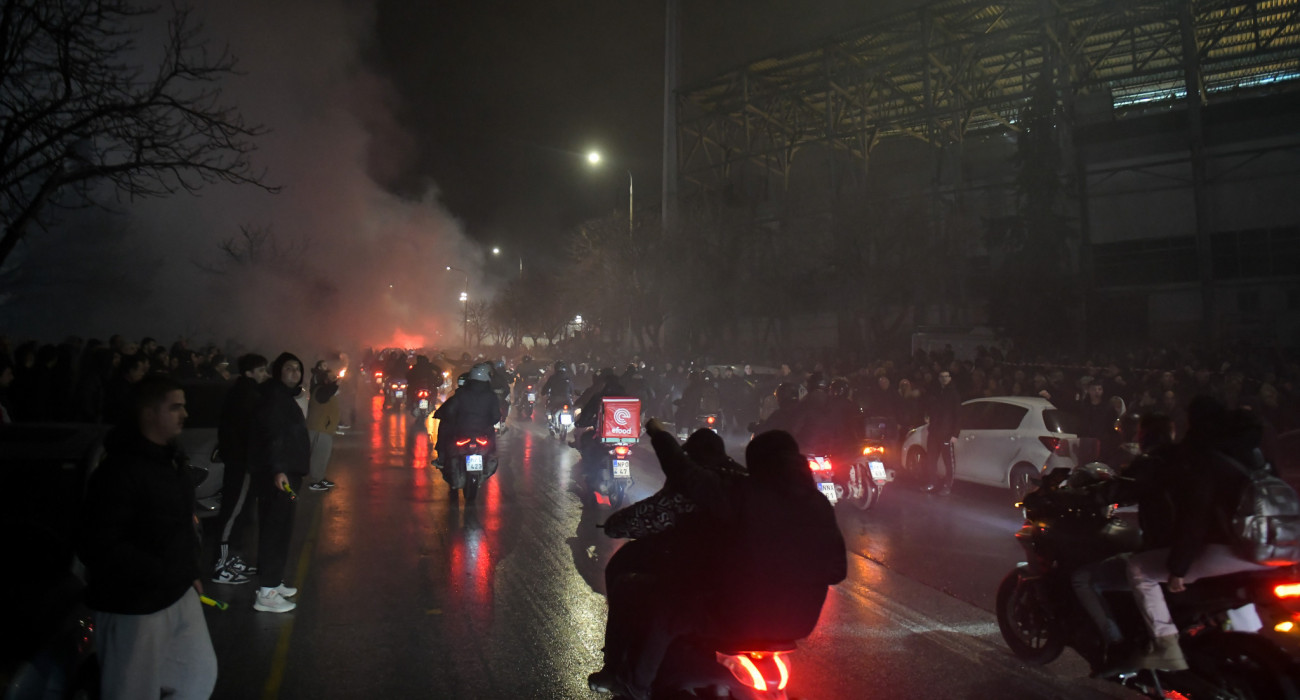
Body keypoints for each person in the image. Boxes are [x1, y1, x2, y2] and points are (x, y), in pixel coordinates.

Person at [598, 422, 846, 699]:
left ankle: (634, 686)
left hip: (739, 616)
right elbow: (837, 571)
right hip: (799, 624)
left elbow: (685, 475)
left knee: (663, 612)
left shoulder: (742, 494)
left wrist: (658, 434)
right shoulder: (820, 505)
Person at [77, 375, 218, 699]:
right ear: (149, 413)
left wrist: (189, 571)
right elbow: (98, 545)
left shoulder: (170, 460)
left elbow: (179, 524)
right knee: (132, 690)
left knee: (195, 674)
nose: (185, 414)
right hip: (134, 607)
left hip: (176, 591)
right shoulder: (118, 472)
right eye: (175, 407)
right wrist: (163, 572)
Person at [1120, 401, 1274, 672]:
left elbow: (1195, 519)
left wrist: (1178, 568)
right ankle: (1250, 647)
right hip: (1275, 549)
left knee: (1139, 569)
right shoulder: (1257, 457)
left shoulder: (1207, 461)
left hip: (1232, 548)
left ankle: (1165, 647)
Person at [590, 429, 746, 694]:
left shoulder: (693, 488)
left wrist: (613, 525)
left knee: (628, 586)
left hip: (699, 580)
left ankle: (615, 670)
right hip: (742, 586)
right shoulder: (744, 487)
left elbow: (649, 515)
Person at [248, 352, 310, 613]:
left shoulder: (281, 394)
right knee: (276, 528)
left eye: (298, 368)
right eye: (288, 368)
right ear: (278, 371)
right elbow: (274, 435)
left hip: (286, 471)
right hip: (280, 475)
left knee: (281, 527)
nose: (294, 373)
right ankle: (267, 593)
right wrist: (278, 469)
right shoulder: (275, 397)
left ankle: (273, 581)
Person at [210, 354, 270, 585]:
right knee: (232, 511)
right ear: (248, 373)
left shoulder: (246, 393)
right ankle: (220, 565)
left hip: (242, 461)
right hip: (240, 462)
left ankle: (232, 559)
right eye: (261, 370)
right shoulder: (246, 395)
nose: (265, 374)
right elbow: (247, 432)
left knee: (241, 512)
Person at [432, 363, 501, 489]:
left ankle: (441, 459)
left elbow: (449, 411)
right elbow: (496, 416)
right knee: (491, 446)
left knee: (445, 434)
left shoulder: (461, 393)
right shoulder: (491, 396)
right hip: (482, 432)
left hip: (462, 431)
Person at [306, 359, 342, 491]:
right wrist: (335, 385)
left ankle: (320, 477)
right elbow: (324, 396)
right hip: (319, 429)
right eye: (331, 377)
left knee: (323, 456)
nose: (334, 378)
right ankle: (315, 480)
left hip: (325, 429)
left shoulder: (325, 389)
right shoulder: (321, 390)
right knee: (318, 456)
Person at [924, 369, 961, 495]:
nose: (944, 378)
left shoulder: (953, 394)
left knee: (948, 461)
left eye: (947, 376)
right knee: (931, 459)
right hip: (934, 431)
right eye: (942, 376)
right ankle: (932, 483)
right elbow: (931, 408)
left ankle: (947, 486)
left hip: (946, 433)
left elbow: (958, 415)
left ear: (950, 378)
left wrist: (955, 434)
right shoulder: (936, 392)